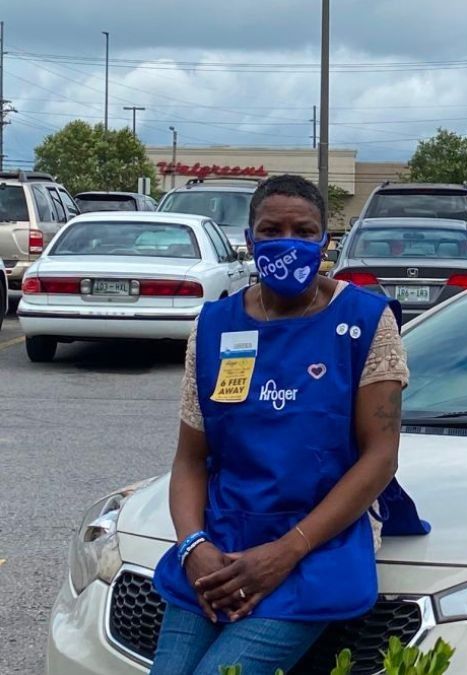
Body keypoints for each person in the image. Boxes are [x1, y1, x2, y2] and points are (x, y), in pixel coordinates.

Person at [150, 175, 411, 674]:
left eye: (303, 229)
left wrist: (286, 552)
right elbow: (190, 459)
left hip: (315, 548)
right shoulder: (214, 326)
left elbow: (380, 457)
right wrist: (193, 547)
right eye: (271, 230)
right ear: (248, 240)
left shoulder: (364, 322)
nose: (286, 240)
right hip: (219, 544)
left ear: (324, 241)